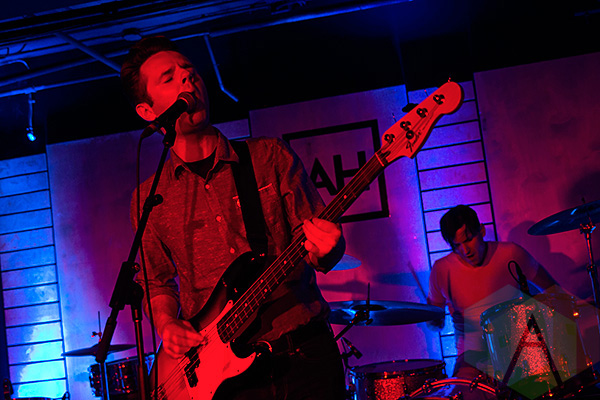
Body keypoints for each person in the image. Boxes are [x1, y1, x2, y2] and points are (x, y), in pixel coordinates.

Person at [120, 36, 347, 400]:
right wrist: (166, 324)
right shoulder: (148, 198)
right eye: (169, 77)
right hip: (220, 377)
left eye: (189, 70)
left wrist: (329, 250)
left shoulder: (268, 156)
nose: (187, 77)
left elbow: (317, 249)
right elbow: (156, 282)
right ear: (147, 111)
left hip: (303, 355)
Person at [426, 205, 558, 379]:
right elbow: (435, 321)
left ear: (481, 230)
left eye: (469, 240)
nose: (465, 250)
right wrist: (433, 320)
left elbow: (553, 290)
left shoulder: (511, 253)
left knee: (545, 382)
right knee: (464, 389)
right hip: (472, 356)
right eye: (457, 245)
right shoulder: (441, 269)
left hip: (519, 347)